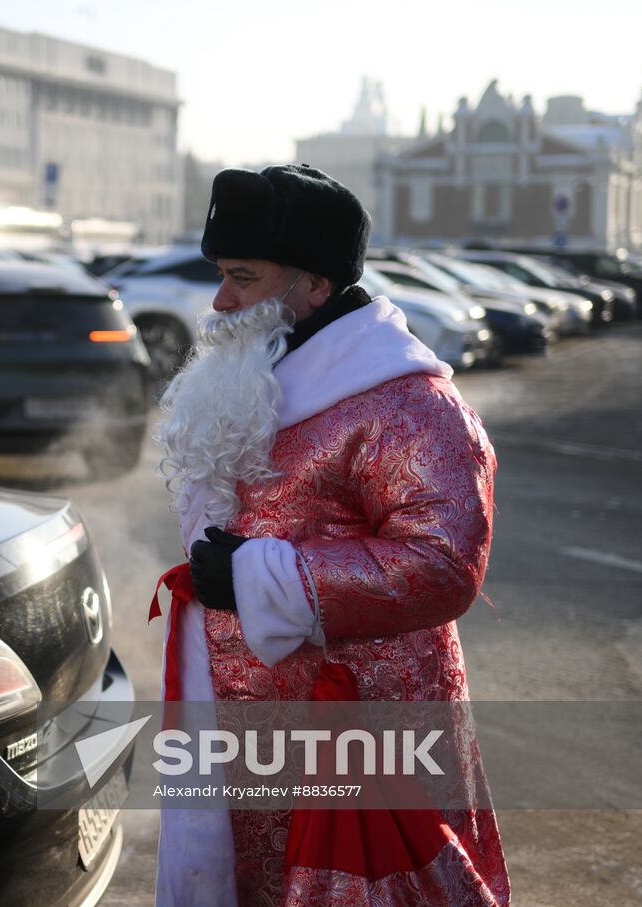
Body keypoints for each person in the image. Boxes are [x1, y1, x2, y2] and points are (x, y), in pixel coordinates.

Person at [152, 164, 510, 905]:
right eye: (221, 275)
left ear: (313, 285)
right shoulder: (259, 372)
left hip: (365, 738)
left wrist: (261, 578)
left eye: (242, 277)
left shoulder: (408, 403)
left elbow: (443, 562)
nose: (220, 301)